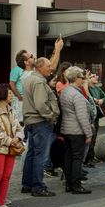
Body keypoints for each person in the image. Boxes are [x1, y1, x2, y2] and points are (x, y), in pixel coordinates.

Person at [21, 57, 60, 197]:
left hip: (31, 122)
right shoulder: (38, 81)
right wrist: (51, 116)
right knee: (40, 156)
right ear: (39, 67)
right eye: (48, 66)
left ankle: (27, 184)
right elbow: (41, 104)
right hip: (40, 122)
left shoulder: (29, 79)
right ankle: (37, 186)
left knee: (32, 154)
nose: (51, 68)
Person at [58, 66, 93, 194]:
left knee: (68, 158)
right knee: (77, 158)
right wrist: (88, 133)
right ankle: (76, 185)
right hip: (77, 131)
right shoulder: (76, 95)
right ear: (76, 78)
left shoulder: (65, 92)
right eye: (82, 77)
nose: (83, 80)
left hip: (66, 130)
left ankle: (68, 184)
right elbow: (82, 116)